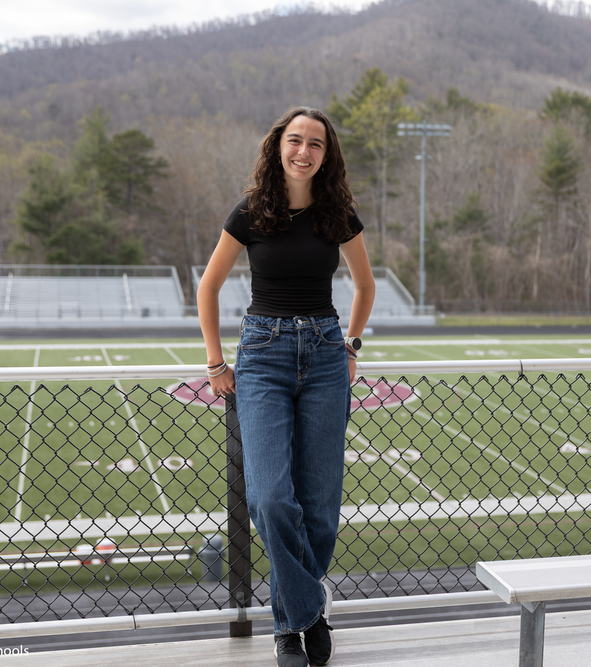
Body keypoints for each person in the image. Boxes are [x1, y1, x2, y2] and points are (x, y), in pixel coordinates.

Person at [197, 106, 375, 667]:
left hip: (325, 355)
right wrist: (216, 363)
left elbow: (364, 286)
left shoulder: (336, 213)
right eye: (294, 141)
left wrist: (350, 346)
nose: (304, 151)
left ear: (327, 154)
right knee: (272, 498)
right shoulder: (252, 212)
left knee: (319, 507)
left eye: (315, 144)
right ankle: (306, 613)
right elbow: (208, 287)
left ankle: (289, 626)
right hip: (263, 357)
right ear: (278, 147)